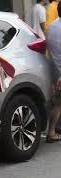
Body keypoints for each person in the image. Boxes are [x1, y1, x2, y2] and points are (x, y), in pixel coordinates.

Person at [46, 2, 61, 143]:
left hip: (54, 67)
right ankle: (51, 132)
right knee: (58, 103)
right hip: (60, 69)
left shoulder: (52, 25)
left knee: (58, 101)